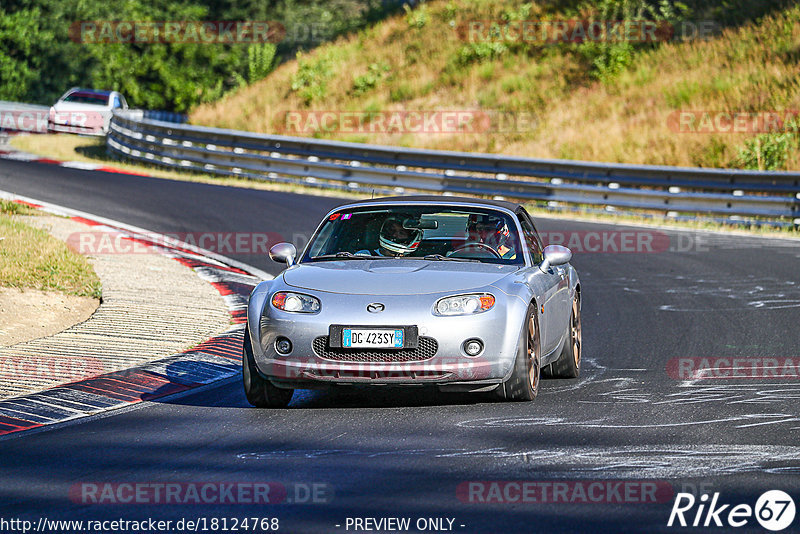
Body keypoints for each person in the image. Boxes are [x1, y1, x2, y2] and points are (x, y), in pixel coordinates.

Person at [357, 214, 422, 257]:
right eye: (392, 230)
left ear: (411, 238)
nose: (394, 235)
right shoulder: (364, 256)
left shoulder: (416, 261)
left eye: (401, 233)